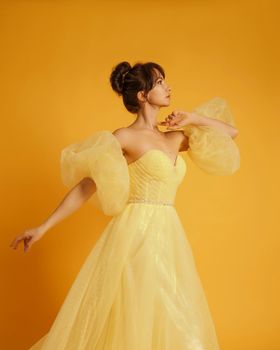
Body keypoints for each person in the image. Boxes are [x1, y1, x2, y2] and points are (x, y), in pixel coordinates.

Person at [10, 61, 240, 349]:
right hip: (135, 235)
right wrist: (43, 227)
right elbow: (85, 187)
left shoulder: (176, 137)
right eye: (159, 82)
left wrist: (193, 119)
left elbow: (230, 133)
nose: (167, 87)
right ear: (142, 95)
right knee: (135, 309)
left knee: (173, 310)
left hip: (169, 234)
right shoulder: (124, 138)